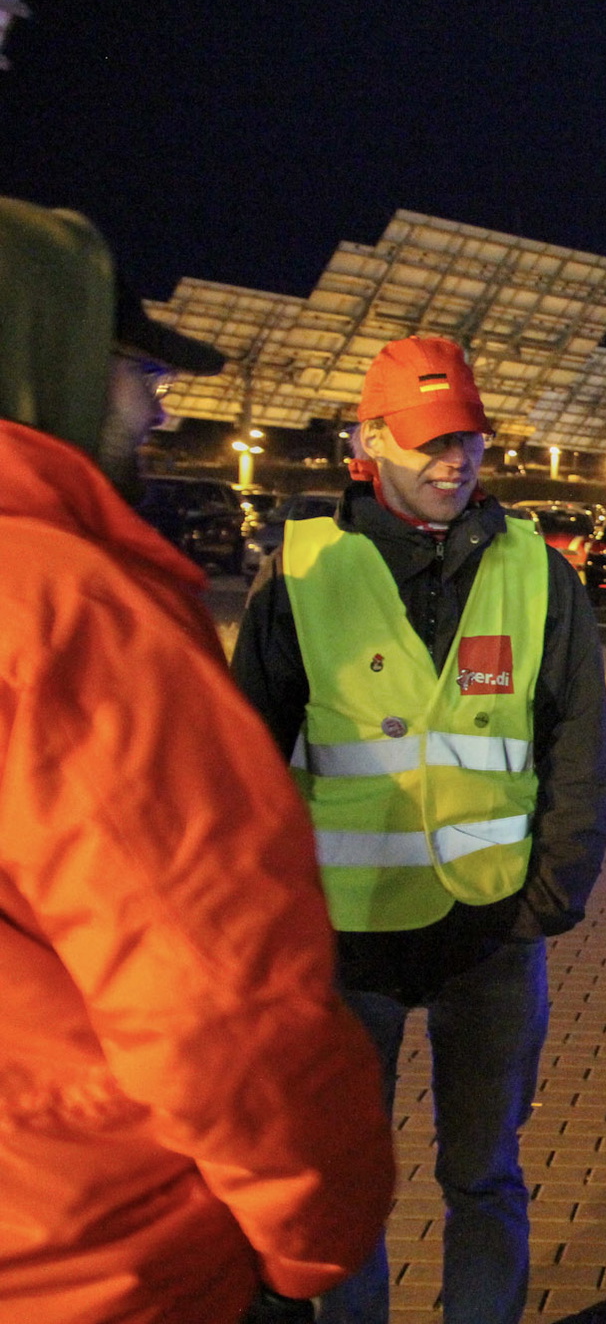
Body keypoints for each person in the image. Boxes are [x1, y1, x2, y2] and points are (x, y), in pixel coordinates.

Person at [0, 196, 395, 1323]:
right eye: (127, 362)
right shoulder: (61, 605)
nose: (160, 397)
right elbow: (221, 1005)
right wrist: (318, 1236)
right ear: (36, 354)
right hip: (95, 1265)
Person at [231, 335, 606, 1324]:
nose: (457, 460)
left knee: (484, 1174)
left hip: (491, 934)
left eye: (470, 440)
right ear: (369, 442)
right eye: (430, 440)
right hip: (345, 938)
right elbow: (247, 757)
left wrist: (549, 897)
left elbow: (579, 744)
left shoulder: (538, 571)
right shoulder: (305, 569)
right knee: (347, 1179)